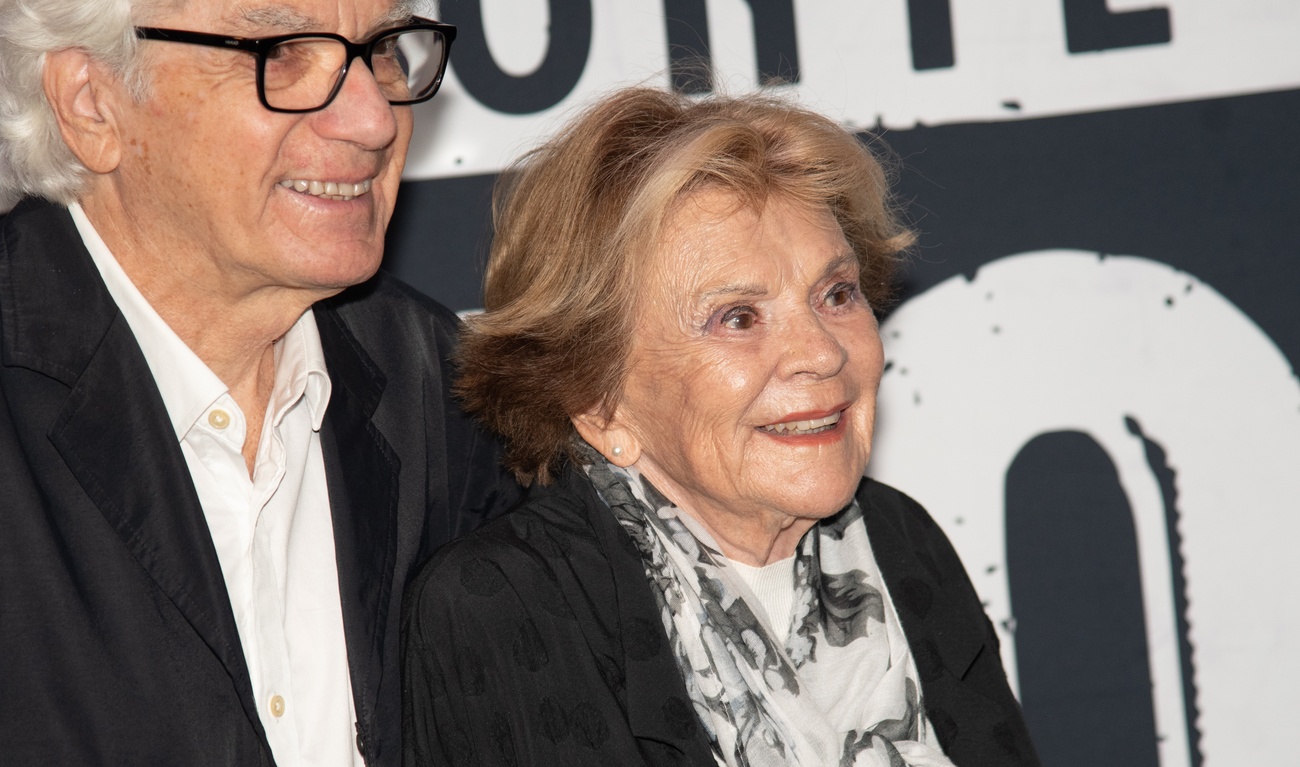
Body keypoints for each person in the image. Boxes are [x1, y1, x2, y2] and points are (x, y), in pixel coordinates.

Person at [401, 87, 1041, 766]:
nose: (823, 352)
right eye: (738, 317)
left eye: (836, 294)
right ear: (599, 401)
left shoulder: (900, 540)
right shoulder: (508, 605)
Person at [0, 0, 519, 764]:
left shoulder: (449, 398)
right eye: (281, 52)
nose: (373, 119)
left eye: (381, 49)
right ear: (92, 103)